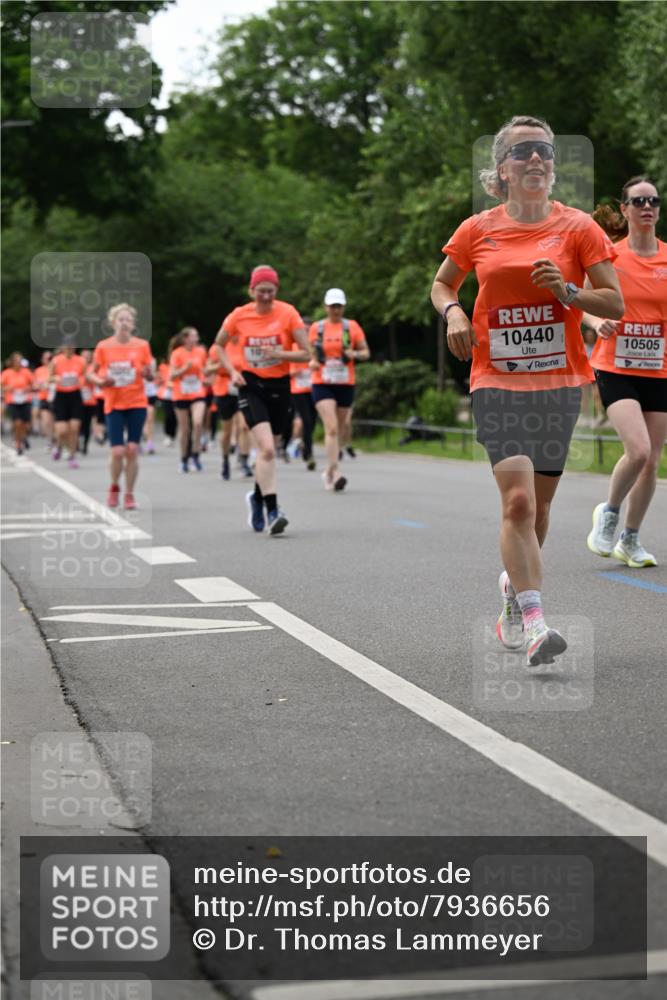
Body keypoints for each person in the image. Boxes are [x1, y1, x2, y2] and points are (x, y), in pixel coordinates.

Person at [431, 115, 623, 667]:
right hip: (496, 380)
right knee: (515, 501)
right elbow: (443, 282)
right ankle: (537, 621)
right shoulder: (477, 229)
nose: (536, 159)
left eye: (544, 150)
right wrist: (453, 313)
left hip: (559, 382)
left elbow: (612, 303)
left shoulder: (579, 228)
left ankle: (513, 594)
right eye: (522, 153)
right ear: (502, 170)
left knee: (537, 511)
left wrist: (566, 290)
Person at [584, 176, 667, 567]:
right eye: (638, 201)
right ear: (624, 209)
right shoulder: (609, 258)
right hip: (614, 364)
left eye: (653, 201)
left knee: (652, 460)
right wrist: (593, 321)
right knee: (638, 450)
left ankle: (630, 540)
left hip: (658, 366)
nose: (647, 207)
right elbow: (577, 299)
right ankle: (609, 513)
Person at [214, 264, 312, 534]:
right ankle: (273, 510)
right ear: (251, 290)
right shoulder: (239, 315)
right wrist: (232, 371)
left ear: (276, 290)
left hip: (280, 386)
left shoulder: (288, 313)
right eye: (260, 292)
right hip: (251, 386)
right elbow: (218, 345)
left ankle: (256, 497)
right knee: (267, 449)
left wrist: (279, 354)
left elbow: (306, 353)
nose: (266, 297)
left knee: (272, 448)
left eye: (270, 291)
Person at [92, 303, 154, 509]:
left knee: (133, 449)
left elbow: (151, 372)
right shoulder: (103, 346)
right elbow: (90, 372)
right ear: (113, 323)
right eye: (121, 319)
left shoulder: (142, 346)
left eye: (128, 320)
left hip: (137, 402)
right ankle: (114, 486)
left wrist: (148, 374)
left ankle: (129, 494)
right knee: (118, 451)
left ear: (133, 324)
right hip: (114, 403)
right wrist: (101, 381)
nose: (124, 323)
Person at [309, 288, 370, 491]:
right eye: (332, 306)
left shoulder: (351, 327)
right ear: (325, 307)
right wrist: (313, 363)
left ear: (343, 307)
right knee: (332, 427)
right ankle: (336, 473)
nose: (336, 309)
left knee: (342, 428)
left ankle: (329, 469)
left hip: (345, 382)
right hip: (322, 382)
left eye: (339, 306)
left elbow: (365, 352)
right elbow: (310, 354)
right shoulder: (317, 328)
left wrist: (354, 353)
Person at [206, 334, 253, 480]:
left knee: (244, 426)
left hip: (242, 388)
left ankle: (244, 460)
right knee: (227, 429)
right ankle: (225, 460)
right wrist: (219, 366)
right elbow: (206, 370)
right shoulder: (217, 347)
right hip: (224, 389)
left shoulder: (246, 344)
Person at [169, 327, 207, 472]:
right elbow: (172, 375)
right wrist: (184, 368)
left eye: (197, 335)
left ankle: (196, 454)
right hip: (181, 394)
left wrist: (207, 377)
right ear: (186, 338)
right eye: (193, 335)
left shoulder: (201, 352)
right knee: (185, 429)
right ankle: (184, 458)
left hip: (198, 392)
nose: (196, 338)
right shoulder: (177, 354)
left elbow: (205, 369)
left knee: (197, 423)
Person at [49, 344, 86, 467]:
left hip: (75, 395)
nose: (70, 349)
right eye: (67, 347)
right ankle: (58, 445)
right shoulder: (56, 360)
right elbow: (49, 378)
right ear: (63, 348)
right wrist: (57, 379)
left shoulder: (81, 360)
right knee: (62, 431)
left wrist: (80, 380)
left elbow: (85, 376)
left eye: (72, 346)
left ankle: (72, 456)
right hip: (61, 396)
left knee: (74, 428)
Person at [289, 342, 317, 471]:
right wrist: (295, 372)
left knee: (312, 421)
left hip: (314, 388)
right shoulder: (292, 346)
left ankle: (303, 444)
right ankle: (308, 452)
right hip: (298, 390)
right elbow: (286, 369)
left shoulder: (315, 345)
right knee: (305, 420)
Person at [1, 352, 34, 455]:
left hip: (25, 399)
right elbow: (1, 386)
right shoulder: (6, 373)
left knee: (26, 424)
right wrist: (7, 388)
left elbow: (34, 384)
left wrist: (28, 388)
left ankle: (24, 437)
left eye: (20, 360)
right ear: (12, 362)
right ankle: (18, 443)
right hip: (12, 400)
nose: (18, 363)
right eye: (16, 361)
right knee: (17, 423)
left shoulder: (26, 372)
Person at [32, 350, 54, 447]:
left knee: (55, 421)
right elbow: (34, 385)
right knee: (46, 421)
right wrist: (40, 386)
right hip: (44, 398)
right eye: (47, 358)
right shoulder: (38, 371)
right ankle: (50, 440)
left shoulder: (56, 368)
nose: (49, 360)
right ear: (42, 360)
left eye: (51, 358)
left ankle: (57, 440)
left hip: (55, 398)